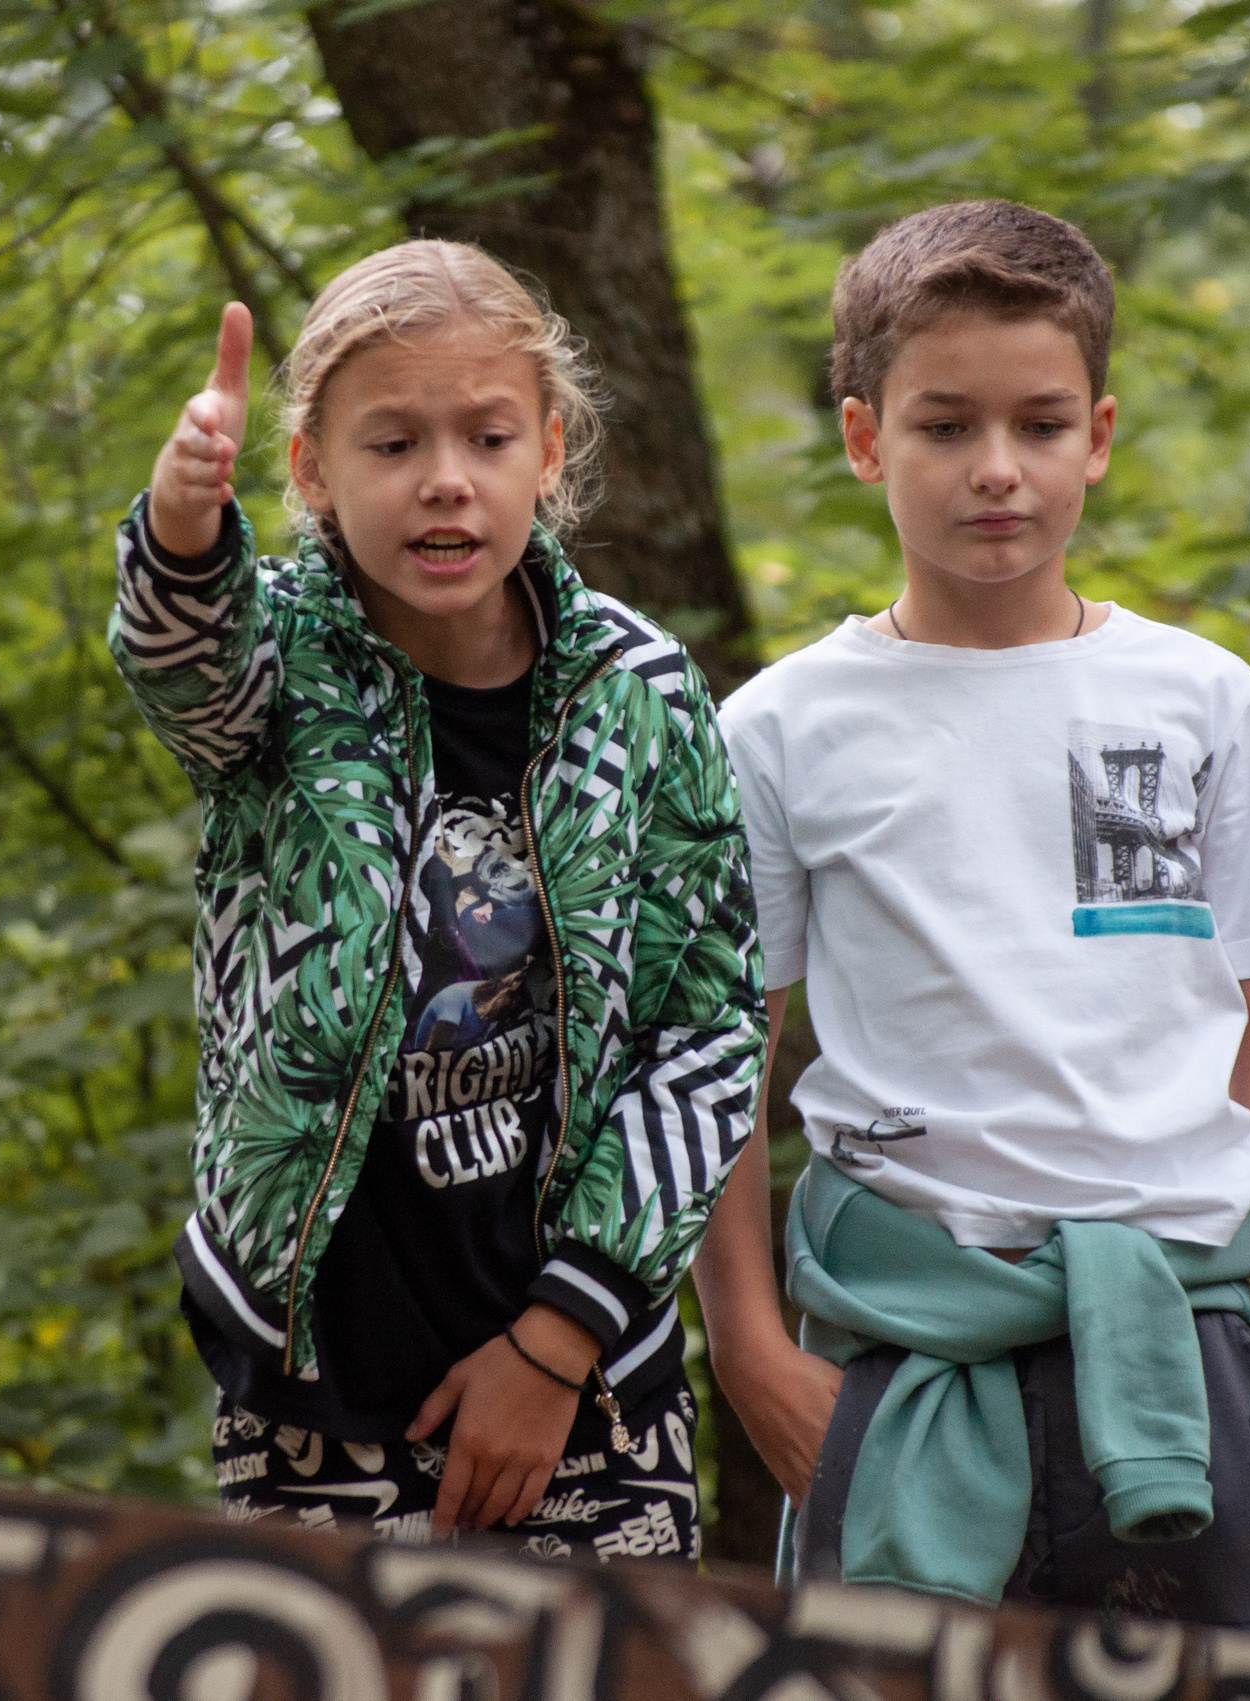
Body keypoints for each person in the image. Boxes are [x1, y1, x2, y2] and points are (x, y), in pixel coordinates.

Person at [694, 200, 1250, 1634]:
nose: (997, 469)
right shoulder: (781, 727)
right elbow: (721, 1057)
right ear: (866, 438)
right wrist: (751, 1348)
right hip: (911, 1352)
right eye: (944, 427)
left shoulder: (1200, 698)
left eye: (1041, 425)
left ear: (1099, 435)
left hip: (1194, 1346)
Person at [114, 240, 765, 1562]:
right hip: (316, 1394)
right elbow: (187, 675)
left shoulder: (641, 691)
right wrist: (185, 530)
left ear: (549, 450)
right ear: (310, 470)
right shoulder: (280, 661)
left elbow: (708, 1032)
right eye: (394, 443)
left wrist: (564, 1332)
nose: (446, 479)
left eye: (486, 434)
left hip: (594, 1400)